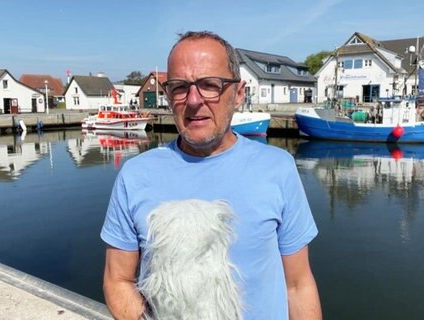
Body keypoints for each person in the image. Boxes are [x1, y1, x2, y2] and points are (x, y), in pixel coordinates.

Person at [101, 30, 321, 320]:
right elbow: (117, 280)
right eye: (180, 87)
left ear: (239, 93)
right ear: (168, 96)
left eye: (209, 85)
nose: (194, 100)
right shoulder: (135, 175)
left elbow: (298, 285)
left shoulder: (278, 168)